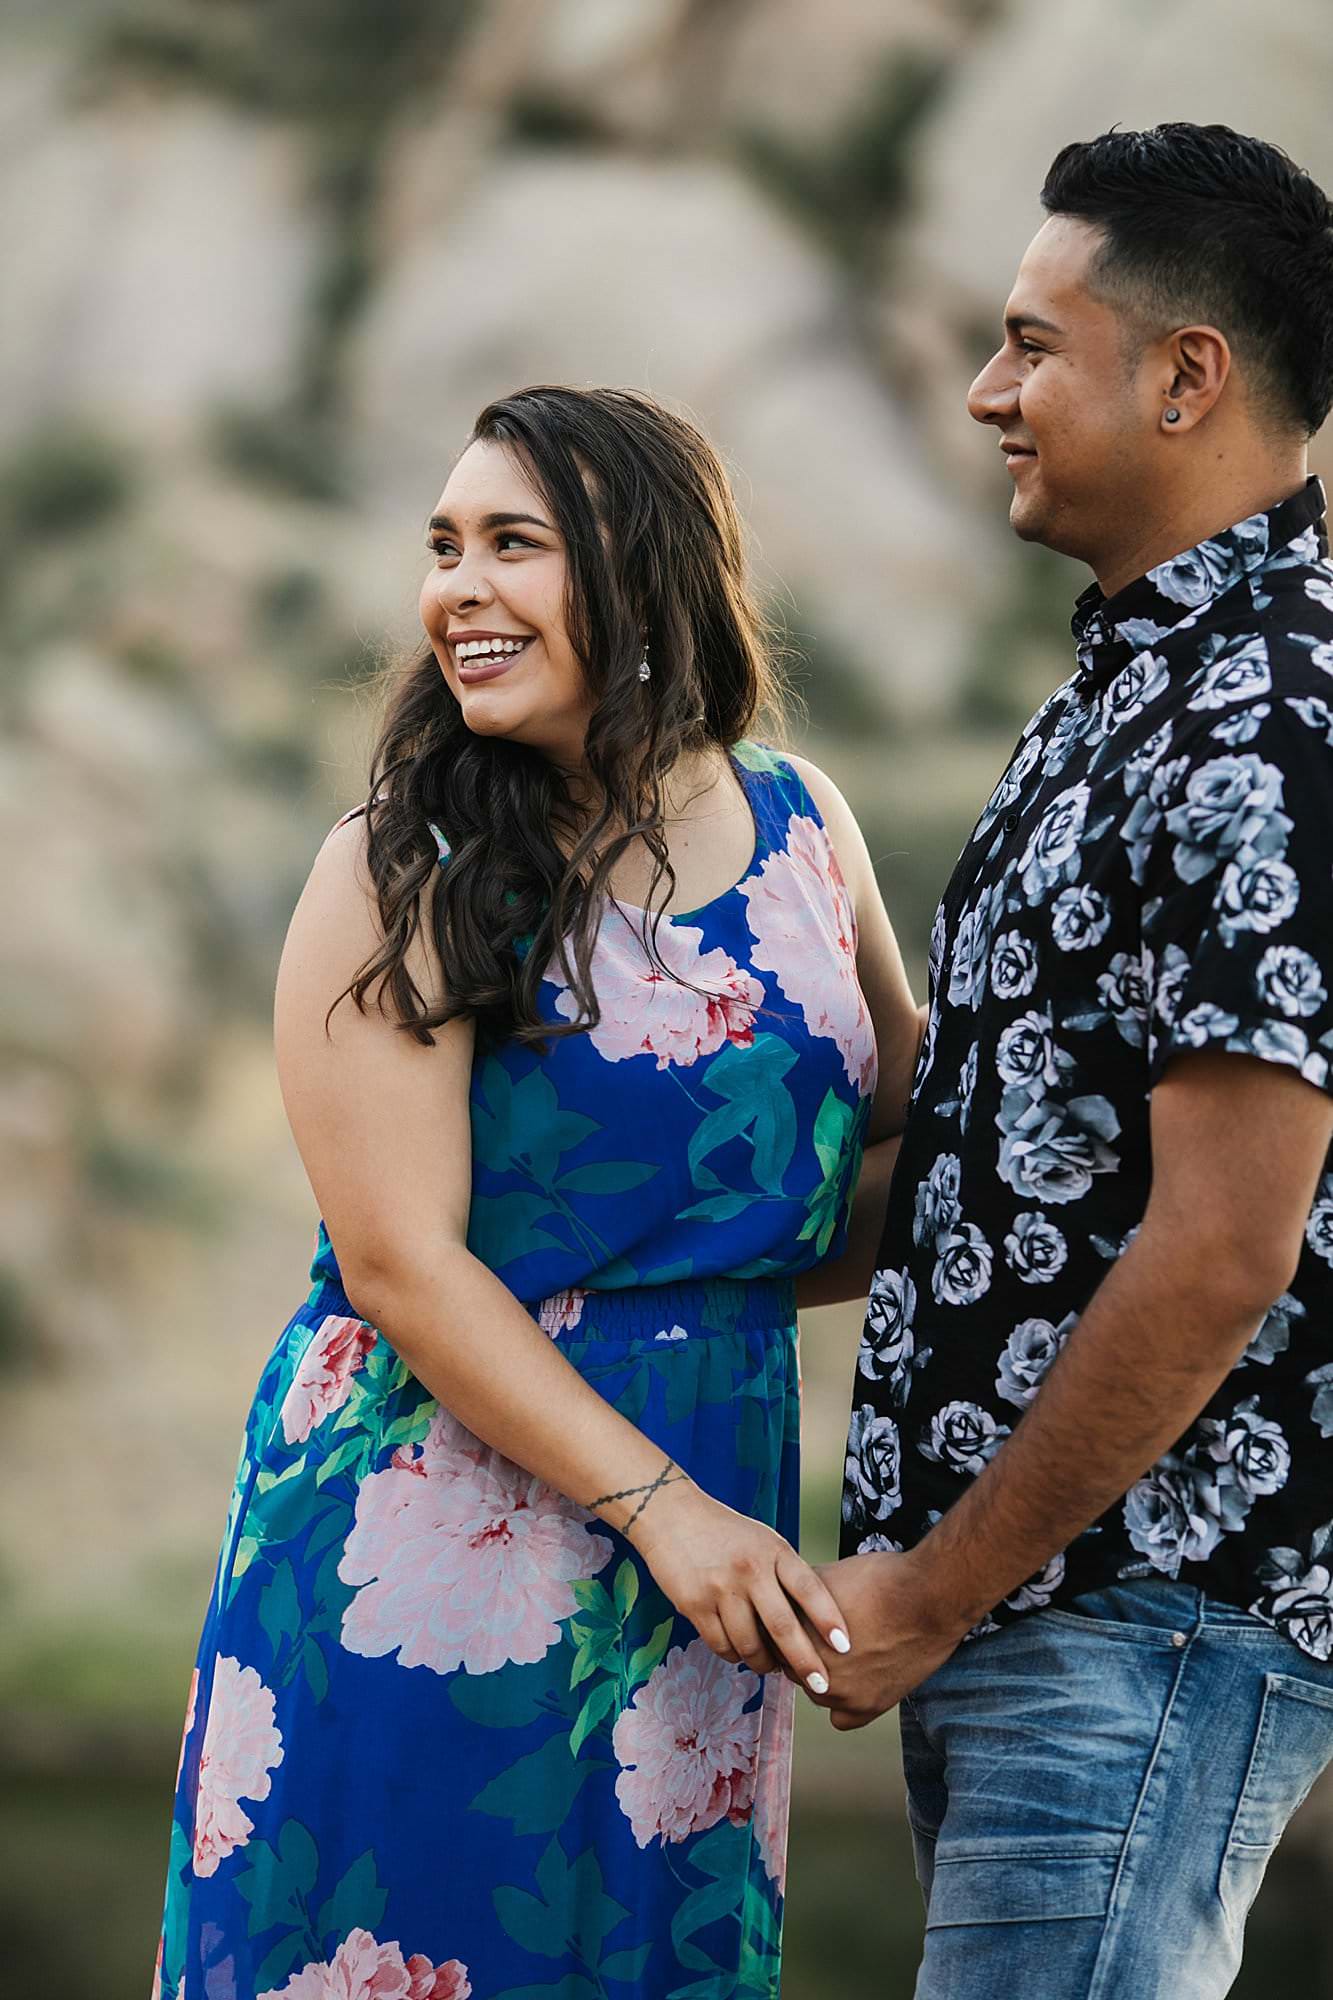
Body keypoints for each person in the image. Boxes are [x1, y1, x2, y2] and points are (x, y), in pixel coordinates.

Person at [148, 384, 922, 2000]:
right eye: (442, 547)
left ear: (644, 572)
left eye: (514, 543)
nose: (457, 590)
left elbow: (905, 1152)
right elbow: (402, 1265)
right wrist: (668, 1511)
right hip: (424, 1535)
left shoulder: (801, 825)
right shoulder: (396, 863)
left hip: (708, 1504)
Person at [811, 124, 1333, 1996]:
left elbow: (1219, 1247)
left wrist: (930, 1595)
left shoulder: (1273, 720)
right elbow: (988, 1176)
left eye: (1031, 344)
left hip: (1139, 1628)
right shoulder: (1109, 706)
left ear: (1185, 374)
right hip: (1040, 1634)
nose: (983, 394)